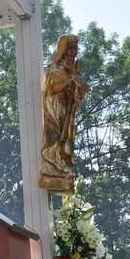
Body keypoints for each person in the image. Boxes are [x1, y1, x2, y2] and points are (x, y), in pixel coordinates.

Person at [38, 34, 89, 194]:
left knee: (65, 142)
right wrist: (67, 73)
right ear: (62, 49)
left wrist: (79, 95)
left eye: (75, 48)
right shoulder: (54, 68)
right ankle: (51, 170)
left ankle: (61, 170)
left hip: (65, 115)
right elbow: (53, 86)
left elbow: (72, 100)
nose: (73, 52)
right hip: (54, 111)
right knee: (53, 140)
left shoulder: (73, 71)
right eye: (70, 48)